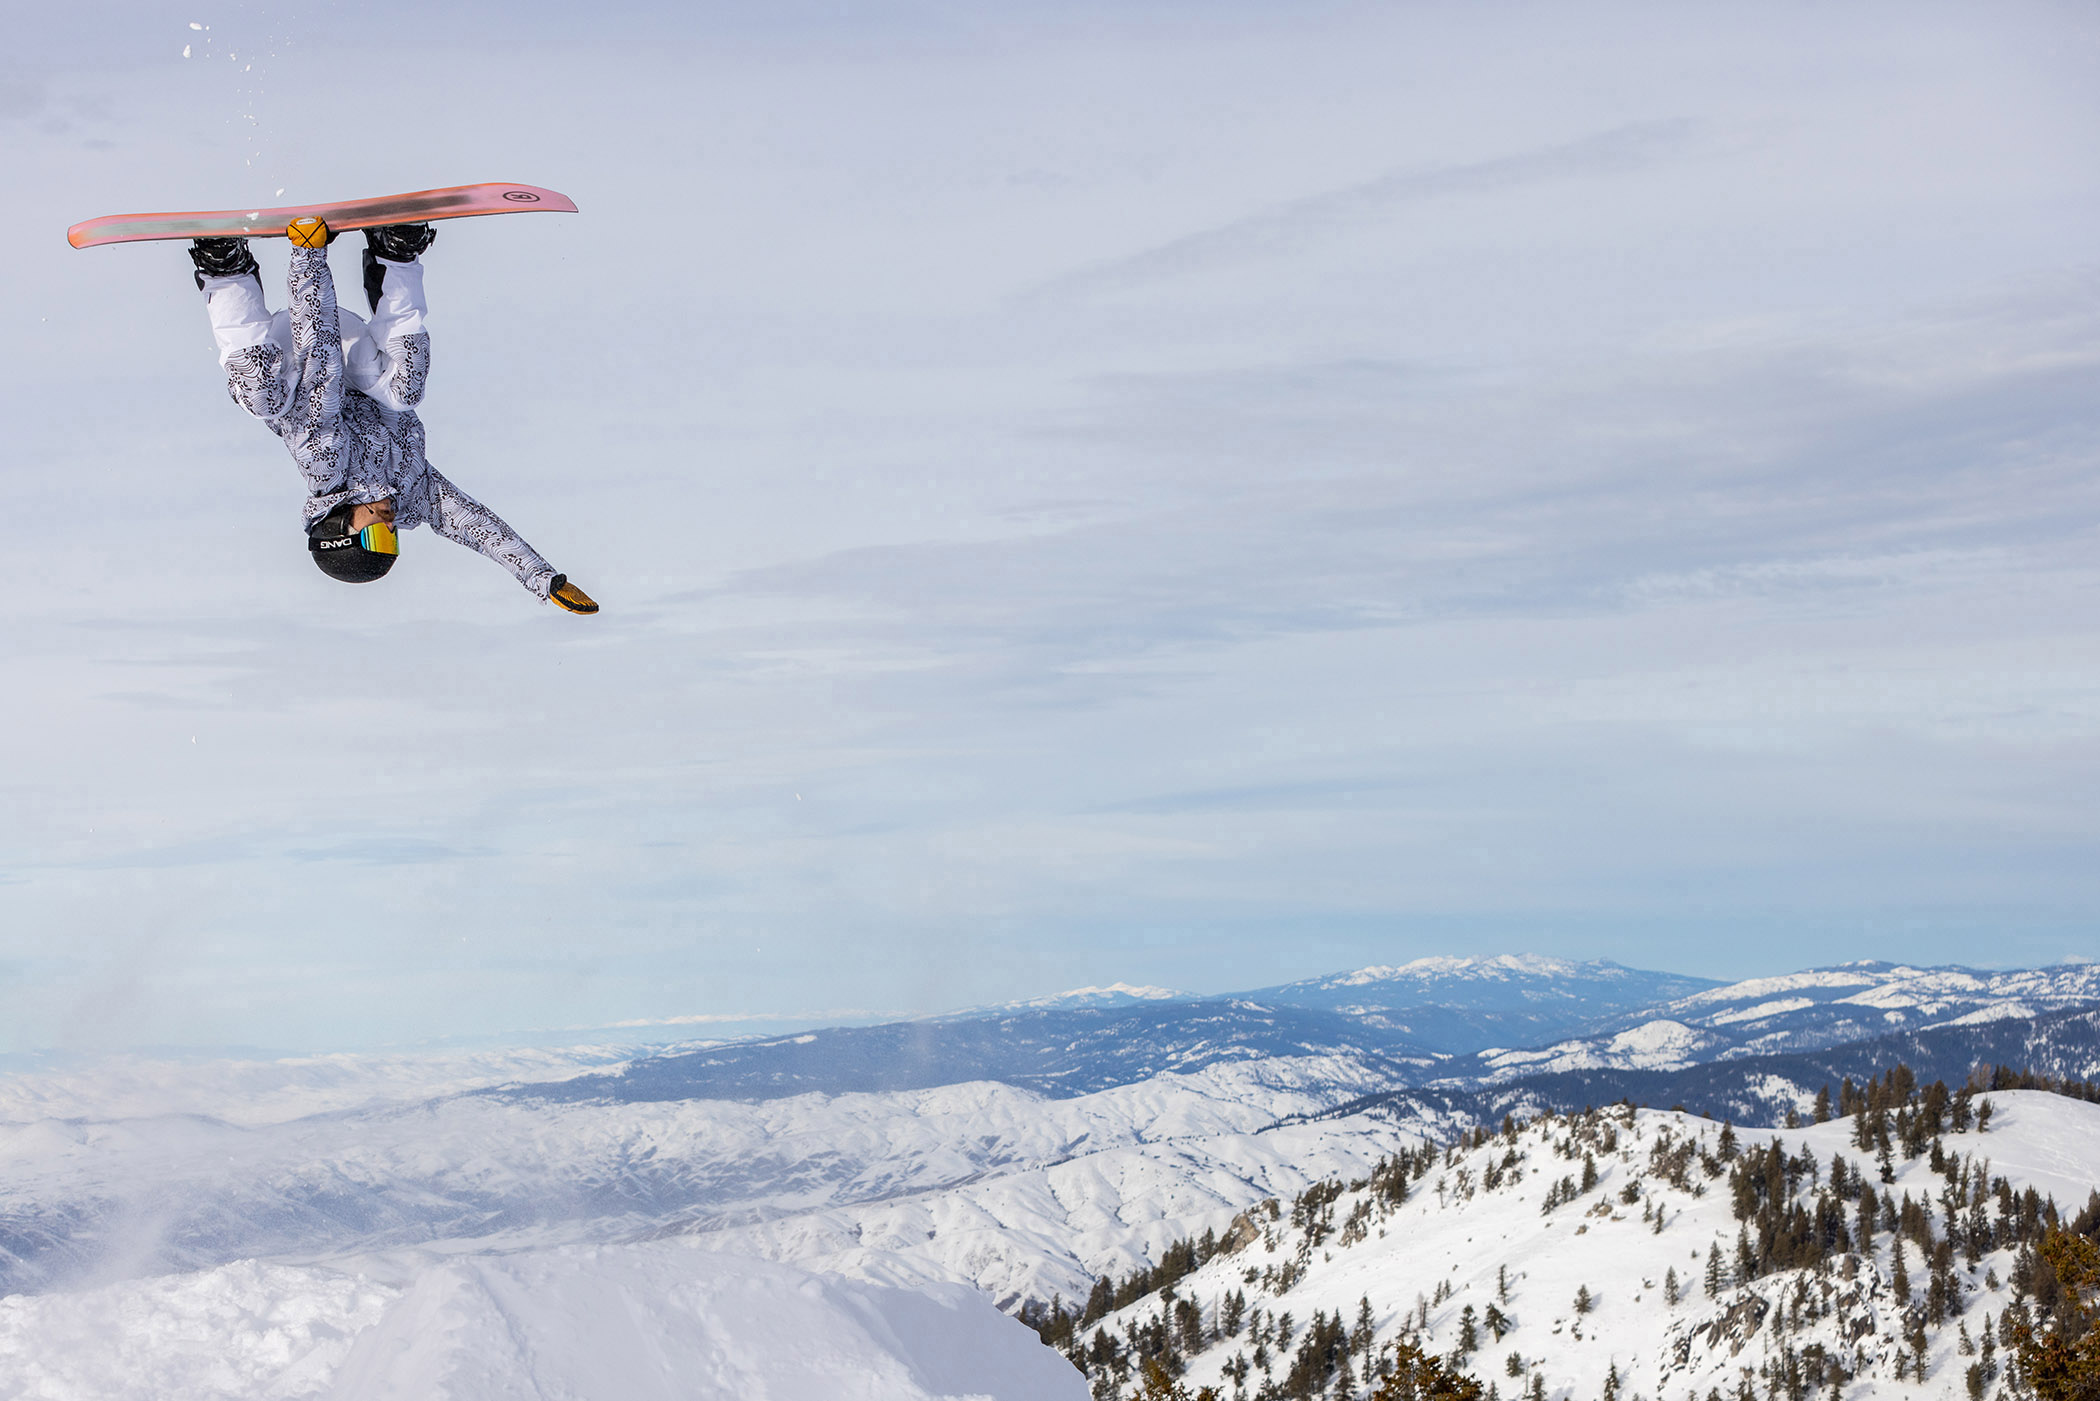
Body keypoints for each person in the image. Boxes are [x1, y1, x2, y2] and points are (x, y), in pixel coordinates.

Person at [188, 215, 597, 612]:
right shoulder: (412, 493)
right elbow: (479, 529)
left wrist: (308, 256)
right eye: (393, 541)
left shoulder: (325, 468)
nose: (390, 527)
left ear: (340, 531)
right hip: (354, 358)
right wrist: (545, 581)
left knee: (261, 398)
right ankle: (395, 256)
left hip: (295, 356)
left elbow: (322, 372)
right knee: (405, 392)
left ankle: (226, 272)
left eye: (377, 539)